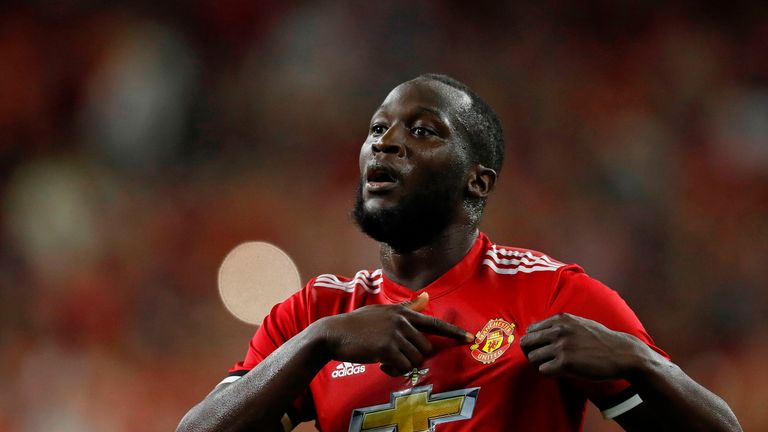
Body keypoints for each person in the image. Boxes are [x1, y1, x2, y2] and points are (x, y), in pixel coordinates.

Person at [177, 74, 741, 431]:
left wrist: (641, 363)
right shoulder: (314, 315)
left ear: (477, 182)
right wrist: (318, 344)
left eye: (423, 132)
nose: (386, 142)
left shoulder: (551, 294)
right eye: (377, 130)